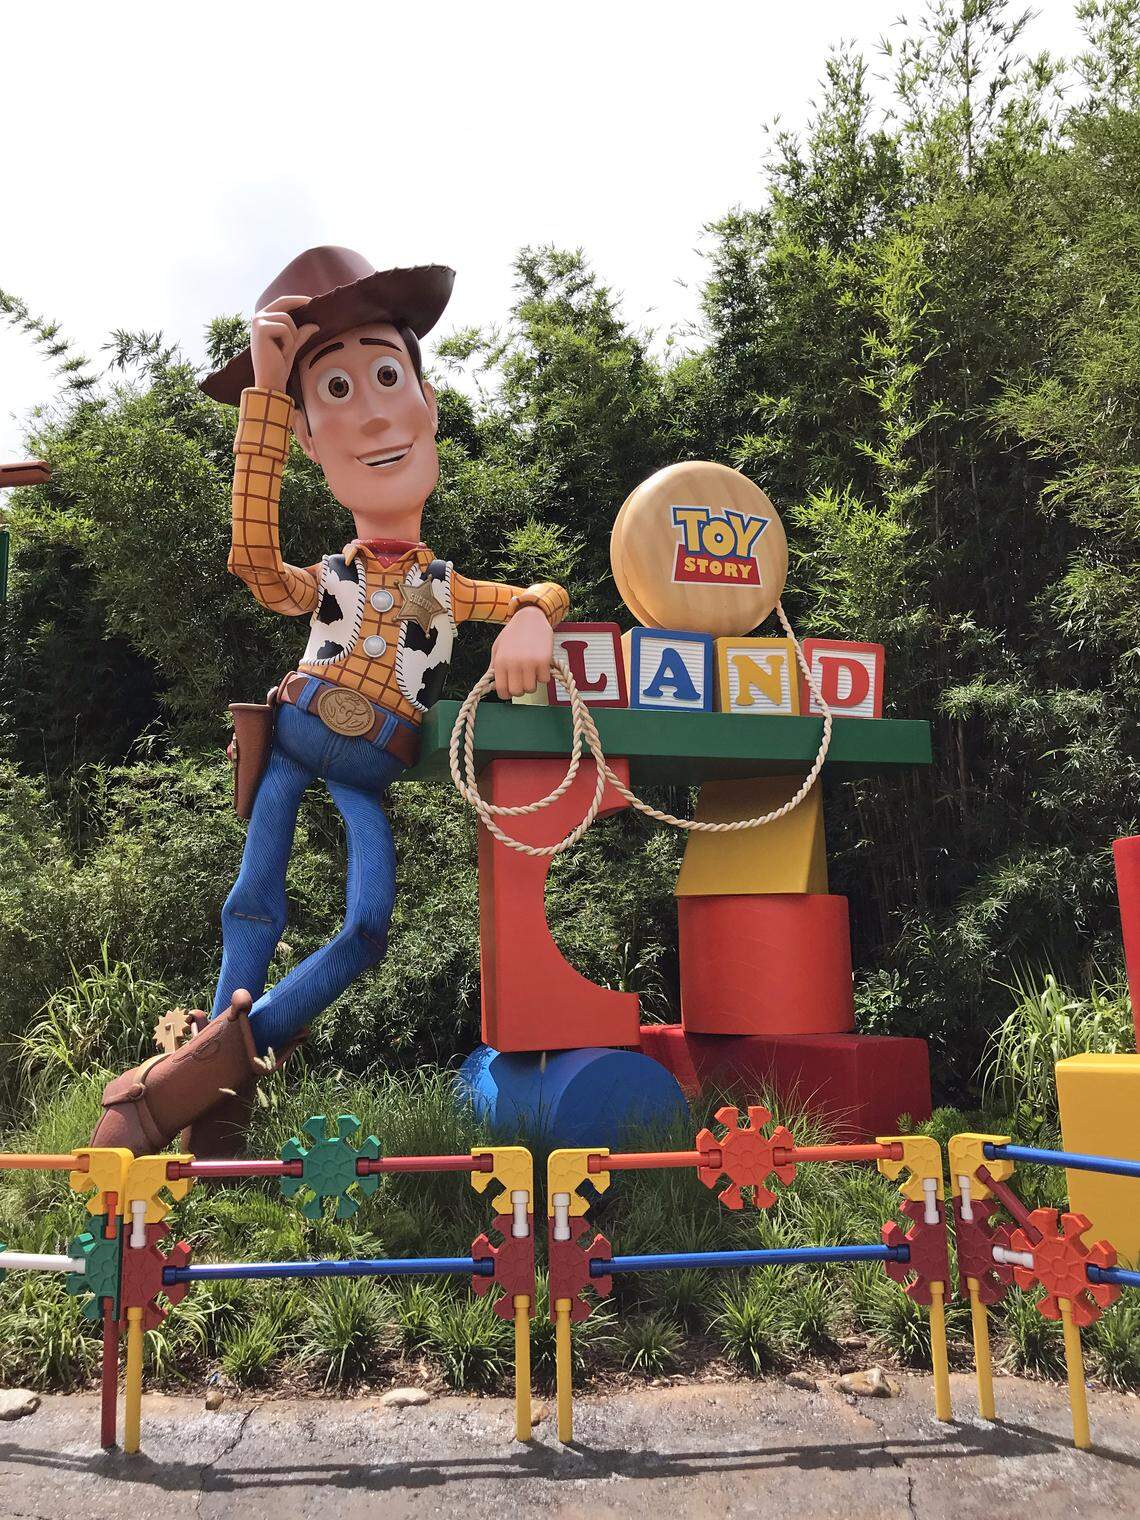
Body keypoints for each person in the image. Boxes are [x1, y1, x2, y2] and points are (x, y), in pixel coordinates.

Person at [92, 246, 567, 1153]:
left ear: (425, 400)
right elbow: (254, 566)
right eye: (335, 391)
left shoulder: (441, 588)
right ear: (308, 437)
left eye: (387, 375)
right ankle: (218, 1099)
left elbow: (539, 594)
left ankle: (212, 1063)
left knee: (368, 923)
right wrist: (266, 398)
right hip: (303, 737)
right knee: (252, 898)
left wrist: (532, 621)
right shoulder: (329, 577)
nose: (374, 411)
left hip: (369, 766)